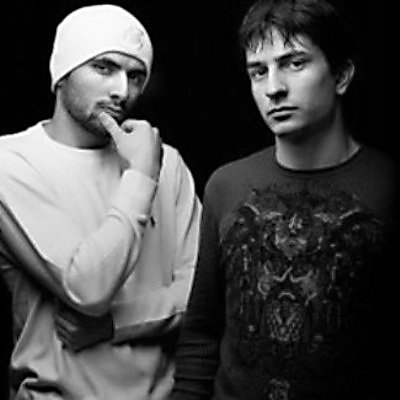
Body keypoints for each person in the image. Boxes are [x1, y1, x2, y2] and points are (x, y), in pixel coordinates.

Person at [168, 0, 397, 399]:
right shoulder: (226, 185)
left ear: (341, 75)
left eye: (294, 63)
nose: (273, 88)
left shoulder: (389, 186)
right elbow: (201, 333)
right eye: (258, 71)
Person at [0, 4, 201, 400]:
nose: (122, 91)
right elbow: (88, 288)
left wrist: (117, 323)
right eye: (104, 68)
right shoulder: (12, 162)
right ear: (62, 74)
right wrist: (140, 175)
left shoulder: (168, 163)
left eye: (136, 75)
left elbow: (201, 294)